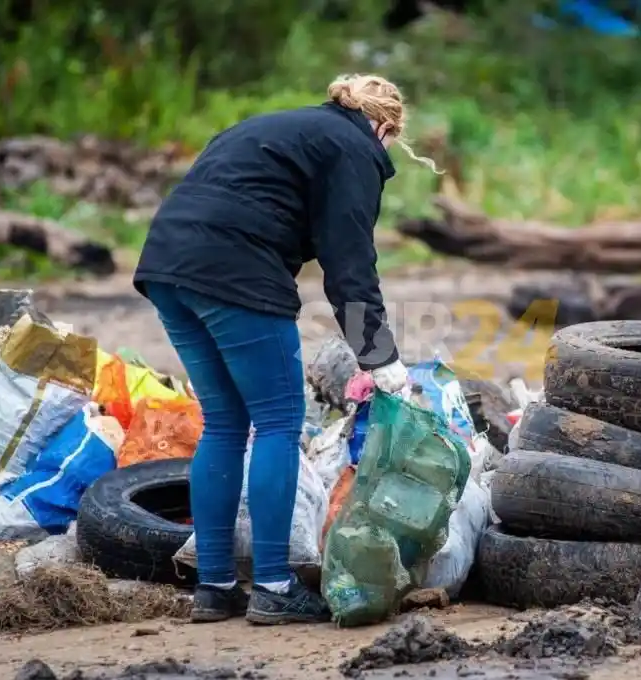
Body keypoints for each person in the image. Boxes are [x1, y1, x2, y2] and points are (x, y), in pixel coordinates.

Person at [133, 74, 438, 625]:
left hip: (165, 265)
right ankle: (274, 586)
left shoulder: (282, 128)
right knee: (277, 421)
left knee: (224, 424)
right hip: (235, 271)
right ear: (384, 129)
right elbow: (350, 268)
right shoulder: (355, 148)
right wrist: (382, 362)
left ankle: (215, 586)